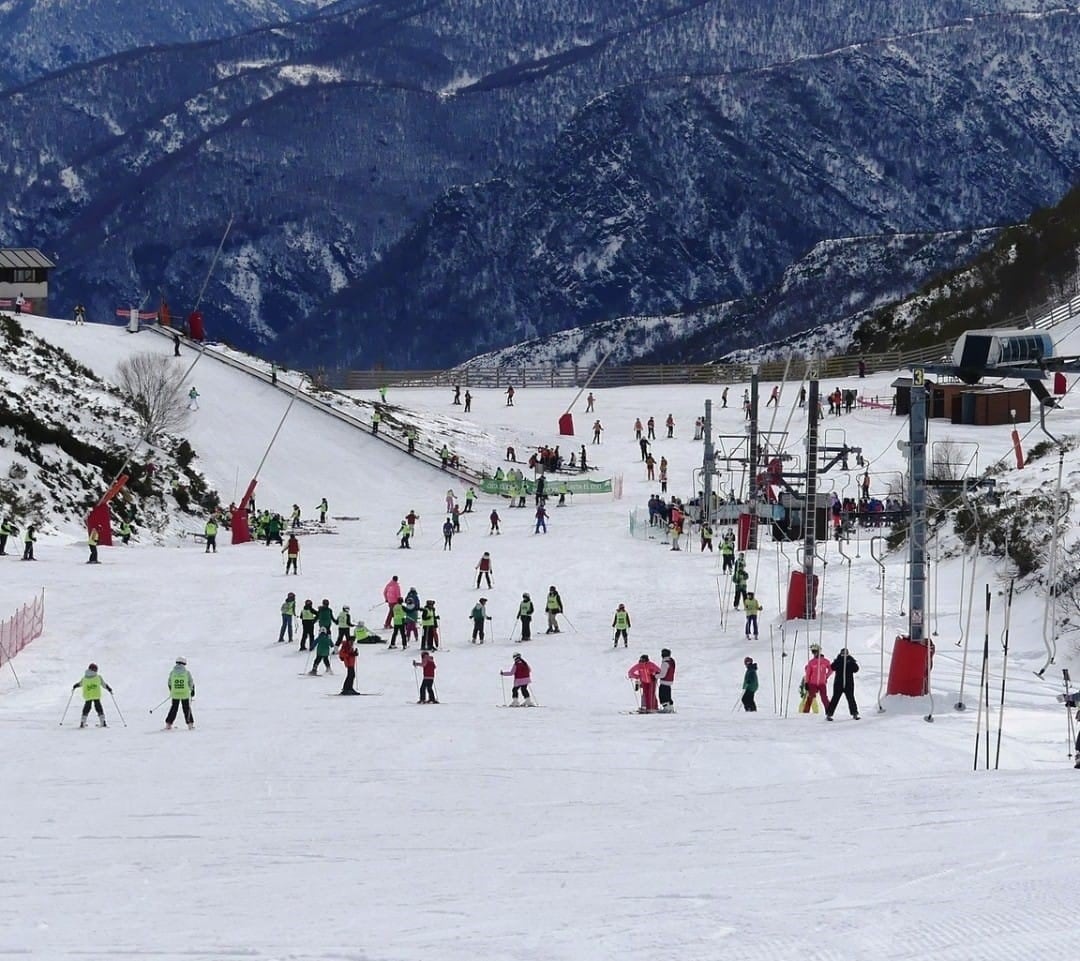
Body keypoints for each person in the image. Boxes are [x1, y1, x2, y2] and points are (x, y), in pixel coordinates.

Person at [73, 663, 112, 728]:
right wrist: (109, 689)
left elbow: (80, 684)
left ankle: (83, 722)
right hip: (96, 695)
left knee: (87, 707)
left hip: (88, 695)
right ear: (94, 670)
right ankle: (103, 722)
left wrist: (75, 686)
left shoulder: (84, 678)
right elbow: (104, 685)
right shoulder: (98, 677)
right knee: (98, 707)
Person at [826, 648, 860, 721]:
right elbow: (832, 667)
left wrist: (851, 662)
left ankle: (854, 713)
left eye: (845, 654)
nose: (844, 655)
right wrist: (839, 660)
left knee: (851, 698)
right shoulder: (838, 660)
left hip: (848, 683)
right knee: (835, 698)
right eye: (842, 654)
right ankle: (829, 714)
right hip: (839, 683)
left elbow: (856, 669)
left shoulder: (850, 660)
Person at [165, 657, 195, 729]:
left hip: (175, 694)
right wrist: (192, 691)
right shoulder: (187, 673)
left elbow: (169, 683)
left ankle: (168, 724)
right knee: (186, 708)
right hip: (185, 694)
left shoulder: (172, 672)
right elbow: (191, 683)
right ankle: (190, 724)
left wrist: (172, 691)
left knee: (174, 708)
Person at [801, 645, 832, 714]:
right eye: (813, 652)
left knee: (824, 697)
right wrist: (806, 682)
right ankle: (805, 712)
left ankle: (829, 711)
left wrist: (826, 676)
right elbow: (808, 673)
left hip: (822, 683)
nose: (814, 653)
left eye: (815, 651)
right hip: (812, 683)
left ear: (819, 651)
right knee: (810, 697)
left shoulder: (825, 661)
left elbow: (831, 669)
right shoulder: (811, 662)